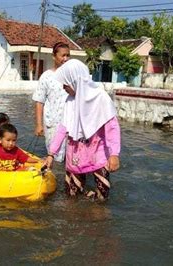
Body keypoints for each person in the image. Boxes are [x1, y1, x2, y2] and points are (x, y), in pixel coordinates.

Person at [44, 59, 121, 201]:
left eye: (66, 83)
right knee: (71, 196)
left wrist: (114, 154)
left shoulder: (100, 98)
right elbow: (62, 128)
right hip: (75, 153)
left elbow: (112, 127)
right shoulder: (70, 101)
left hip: (97, 152)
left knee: (102, 197)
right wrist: (51, 154)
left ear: (76, 81)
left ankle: (97, 219)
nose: (63, 87)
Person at [32, 41, 70, 162]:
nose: (65, 58)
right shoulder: (46, 76)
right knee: (53, 156)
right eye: (63, 55)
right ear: (54, 56)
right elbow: (39, 101)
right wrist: (39, 125)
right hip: (52, 124)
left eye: (68, 55)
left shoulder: (72, 75)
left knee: (72, 158)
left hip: (70, 124)